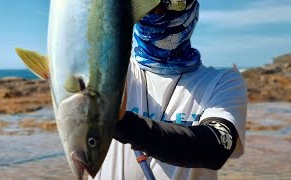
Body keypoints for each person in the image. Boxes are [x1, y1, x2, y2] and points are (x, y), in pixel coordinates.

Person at [92, 0, 247, 180]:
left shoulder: (222, 82)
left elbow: (215, 148)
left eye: (173, 2)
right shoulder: (109, 71)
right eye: (147, 5)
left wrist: (122, 123)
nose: (157, 13)